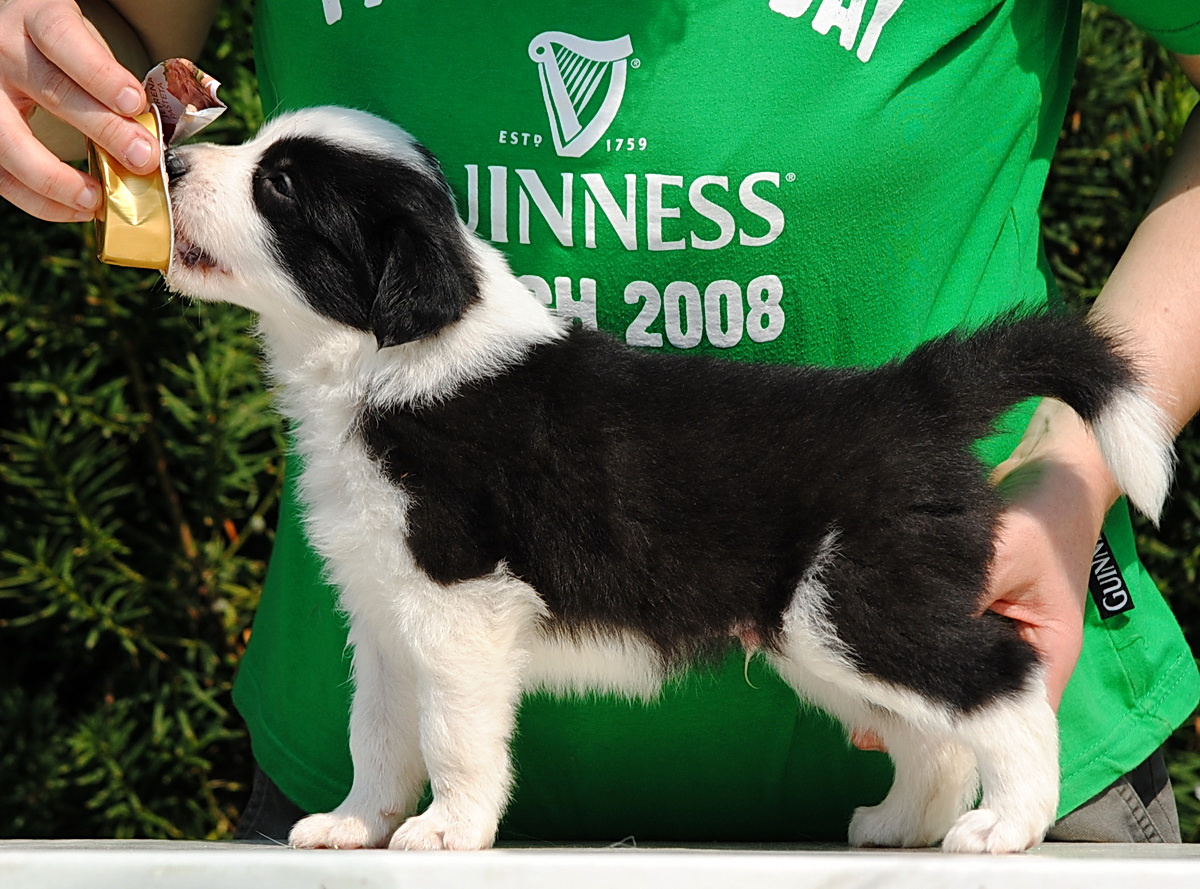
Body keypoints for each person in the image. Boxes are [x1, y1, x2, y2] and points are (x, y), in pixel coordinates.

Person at [3, 0, 1198, 845]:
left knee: (867, 635)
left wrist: (1076, 455)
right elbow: (102, 37)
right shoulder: (416, 408)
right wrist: (43, 65)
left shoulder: (443, 387)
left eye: (272, 178)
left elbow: (460, 616)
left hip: (918, 622)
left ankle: (989, 764)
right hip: (349, 808)